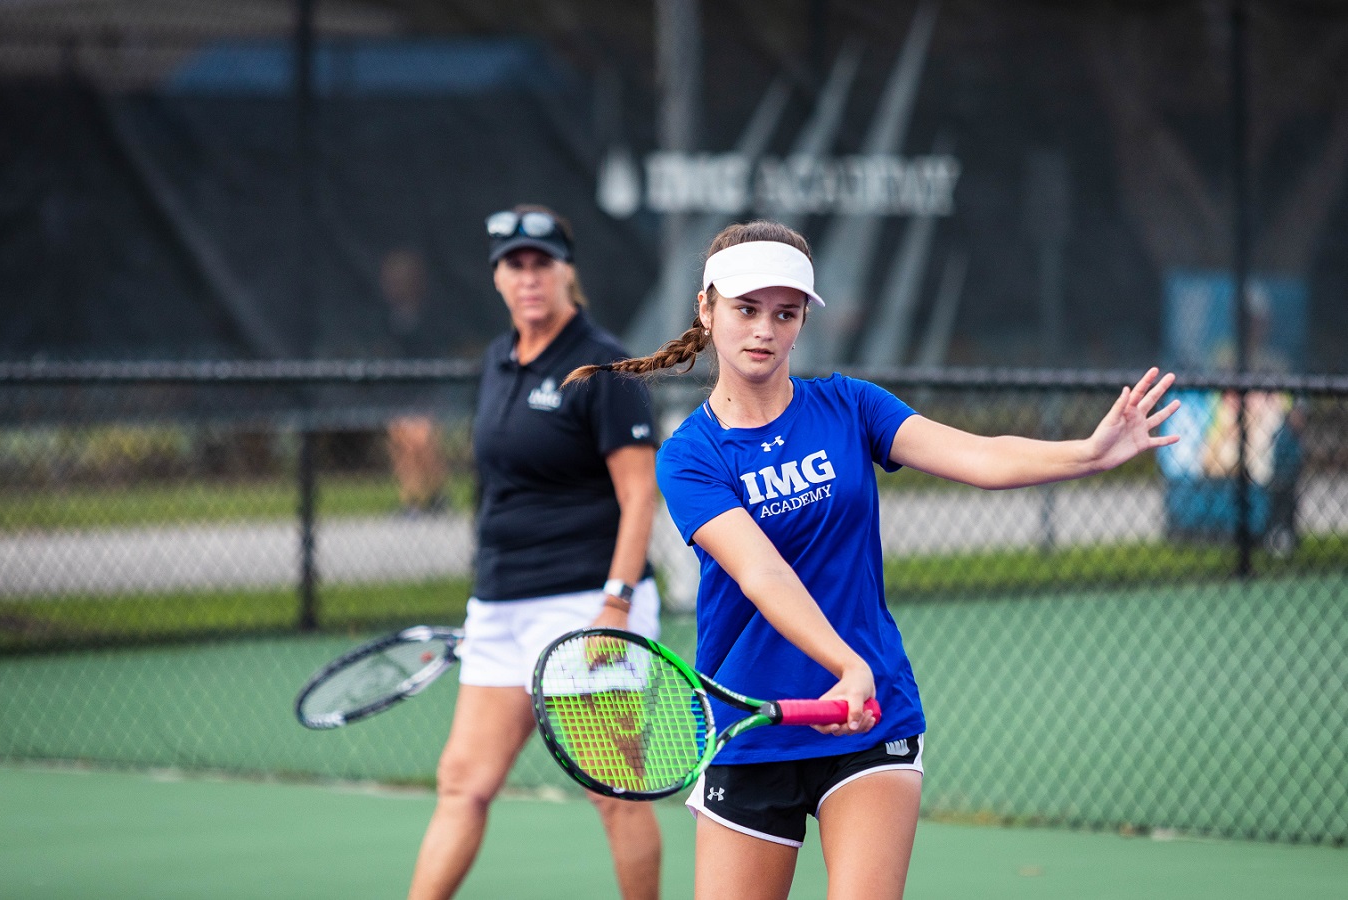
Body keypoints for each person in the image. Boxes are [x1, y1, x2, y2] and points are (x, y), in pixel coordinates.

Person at [566, 220, 1180, 900]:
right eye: (745, 309)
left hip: (869, 722)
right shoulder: (689, 455)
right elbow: (760, 570)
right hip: (753, 728)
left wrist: (1086, 454)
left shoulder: (850, 405)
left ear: (802, 321)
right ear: (706, 309)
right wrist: (843, 664)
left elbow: (975, 455)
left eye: (784, 313)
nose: (764, 329)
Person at [406, 205, 664, 900]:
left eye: (541, 262)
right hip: (500, 606)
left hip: (588, 604)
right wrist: (485, 597)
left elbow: (640, 496)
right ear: (495, 276)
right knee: (463, 782)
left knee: (613, 793)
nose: (528, 277)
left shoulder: (604, 366)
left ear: (564, 271)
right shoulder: (496, 360)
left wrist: (615, 606)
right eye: (514, 264)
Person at [379, 248, 448, 515]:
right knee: (400, 441)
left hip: (426, 389)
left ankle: (437, 495)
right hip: (399, 390)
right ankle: (411, 501)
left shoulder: (430, 315)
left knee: (421, 440)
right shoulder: (386, 317)